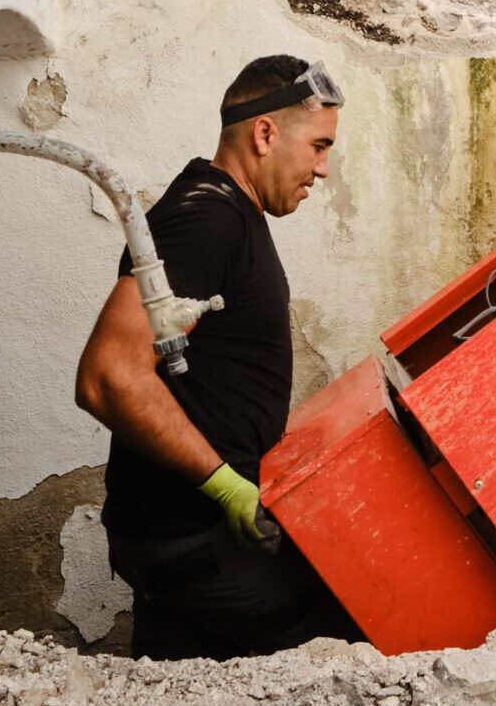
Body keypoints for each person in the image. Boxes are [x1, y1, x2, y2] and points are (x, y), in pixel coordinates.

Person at [74, 54, 358, 659]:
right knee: (334, 640)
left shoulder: (231, 211)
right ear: (264, 134)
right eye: (318, 146)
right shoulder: (205, 218)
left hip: (183, 536)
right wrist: (228, 487)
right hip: (193, 539)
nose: (324, 169)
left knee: (172, 682)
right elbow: (108, 376)